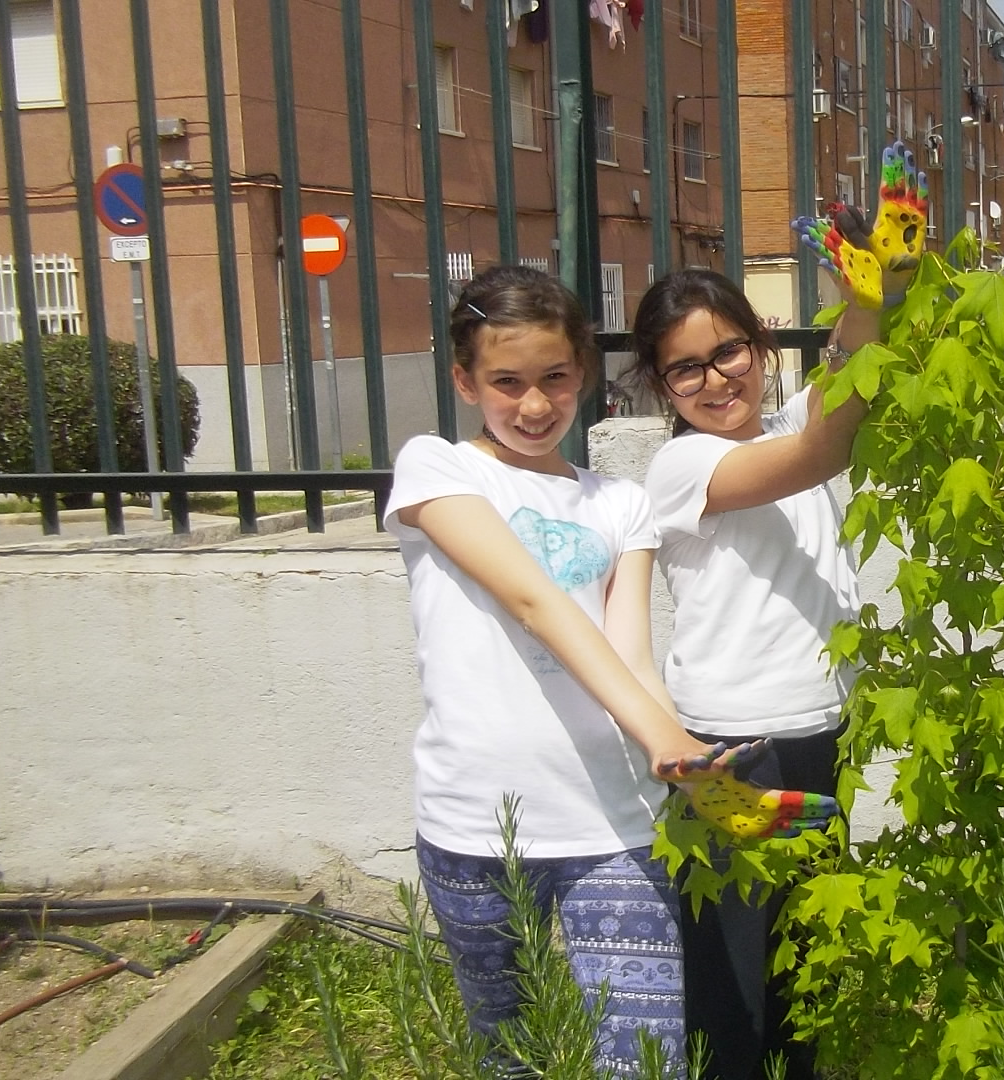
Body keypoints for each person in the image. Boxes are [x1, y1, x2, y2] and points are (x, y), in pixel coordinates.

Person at [384, 264, 832, 1076]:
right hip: (476, 822)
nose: (534, 404)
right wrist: (670, 739)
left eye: (555, 378)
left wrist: (692, 771)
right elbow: (535, 603)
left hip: (614, 827)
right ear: (463, 379)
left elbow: (632, 657)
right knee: (513, 1055)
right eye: (505, 381)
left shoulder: (618, 504)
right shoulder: (437, 467)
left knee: (647, 1061)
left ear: (583, 374)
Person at [629, 143, 928, 1080]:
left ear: (760, 347)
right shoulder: (683, 468)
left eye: (729, 351)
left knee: (806, 968)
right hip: (730, 755)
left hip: (817, 736)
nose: (716, 379)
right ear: (660, 389)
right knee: (735, 991)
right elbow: (822, 453)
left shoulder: (784, 415)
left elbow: (849, 377)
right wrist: (868, 305)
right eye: (686, 370)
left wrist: (888, 286)